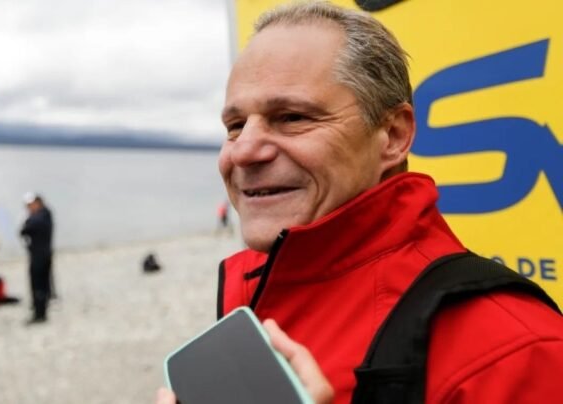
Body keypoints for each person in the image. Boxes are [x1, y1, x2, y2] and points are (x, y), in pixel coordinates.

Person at [158, 2, 563, 403]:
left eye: (293, 117)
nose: (242, 152)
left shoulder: (514, 351)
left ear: (392, 136)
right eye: (235, 126)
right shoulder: (252, 283)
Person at [20, 192, 56, 324]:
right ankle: (41, 310)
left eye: (30, 205)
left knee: (38, 284)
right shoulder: (47, 215)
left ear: (37, 203)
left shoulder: (39, 218)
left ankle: (39, 313)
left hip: (39, 256)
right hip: (44, 254)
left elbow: (24, 230)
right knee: (44, 284)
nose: (29, 208)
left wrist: (27, 221)